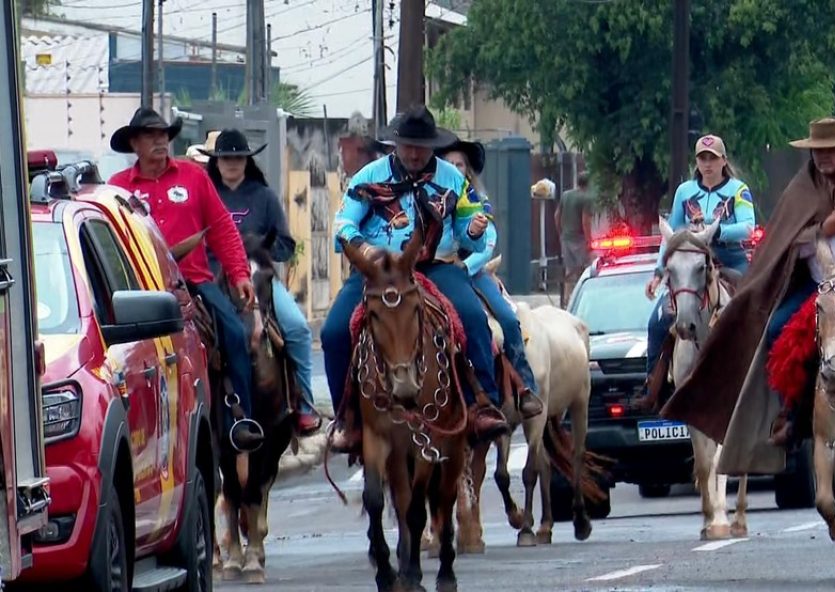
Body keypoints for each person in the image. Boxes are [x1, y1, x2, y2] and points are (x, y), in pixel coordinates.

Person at [662, 116, 835, 476]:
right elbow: (786, 243)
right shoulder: (801, 189)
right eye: (818, 152)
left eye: (831, 150)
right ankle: (791, 416)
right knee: (777, 329)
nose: (824, 158)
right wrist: (820, 230)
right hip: (816, 288)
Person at [321, 105, 542, 451]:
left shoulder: (452, 179)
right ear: (396, 144)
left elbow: (471, 230)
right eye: (407, 145)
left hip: (434, 265)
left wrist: (472, 228)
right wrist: (366, 251)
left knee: (472, 318)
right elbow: (343, 225)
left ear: (432, 146)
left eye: (420, 146)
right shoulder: (368, 177)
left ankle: (481, 403)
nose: (413, 153)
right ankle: (346, 419)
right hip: (378, 273)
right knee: (333, 332)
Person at [108, 107, 264, 453]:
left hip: (193, 281)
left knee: (235, 334)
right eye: (150, 135)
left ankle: (241, 420)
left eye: (163, 134)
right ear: (134, 143)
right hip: (141, 289)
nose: (160, 140)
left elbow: (223, 227)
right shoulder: (117, 188)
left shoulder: (194, 177)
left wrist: (239, 274)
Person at [201, 128, 322, 436]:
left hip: (257, 278)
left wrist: (259, 251)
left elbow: (286, 244)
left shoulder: (264, 196)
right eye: (225, 158)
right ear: (216, 161)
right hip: (211, 279)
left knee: (296, 327)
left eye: (237, 157)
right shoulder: (205, 193)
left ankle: (305, 406)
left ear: (247, 160)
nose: (231, 163)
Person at [436, 138, 542, 408]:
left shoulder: (476, 200)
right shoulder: (430, 197)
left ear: (468, 170)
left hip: (471, 273)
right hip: (435, 271)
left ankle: (526, 386)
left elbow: (488, 242)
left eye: (459, 164)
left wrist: (465, 266)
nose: (454, 168)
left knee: (507, 319)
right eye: (448, 164)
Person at [645, 134, 755, 382]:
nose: (708, 164)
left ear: (723, 161)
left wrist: (716, 231)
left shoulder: (738, 190)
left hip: (730, 260)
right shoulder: (685, 191)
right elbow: (670, 235)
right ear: (696, 162)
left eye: (713, 158)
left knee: (755, 312)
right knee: (657, 322)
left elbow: (748, 226)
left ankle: (760, 375)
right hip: (689, 265)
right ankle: (653, 382)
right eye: (702, 158)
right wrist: (659, 272)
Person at [556, 172, 594, 303]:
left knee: (569, 269)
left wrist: (561, 232)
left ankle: (567, 299)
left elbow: (557, 215)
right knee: (582, 269)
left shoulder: (566, 195)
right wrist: (589, 242)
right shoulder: (586, 198)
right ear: (589, 183)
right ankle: (581, 299)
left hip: (566, 238)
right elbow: (585, 221)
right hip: (579, 239)